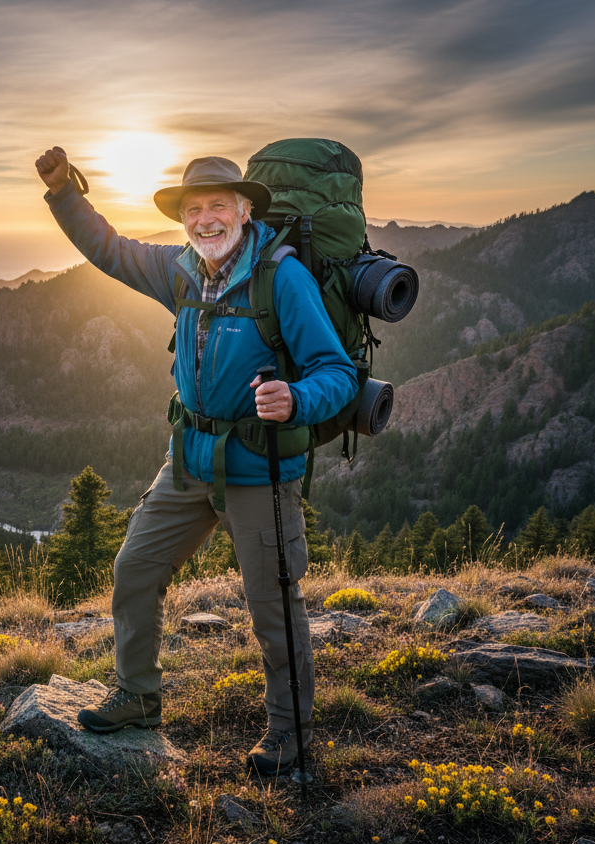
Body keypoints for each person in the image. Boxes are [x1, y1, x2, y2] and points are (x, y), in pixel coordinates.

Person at [35, 146, 357, 774]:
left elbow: (337, 373)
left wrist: (295, 397)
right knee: (134, 571)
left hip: (259, 467)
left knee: (273, 607)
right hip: (189, 460)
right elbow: (108, 248)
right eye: (193, 209)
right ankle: (137, 697)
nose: (205, 219)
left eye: (217, 206)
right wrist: (62, 193)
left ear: (243, 210)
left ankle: (290, 733)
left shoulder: (281, 277)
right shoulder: (179, 270)